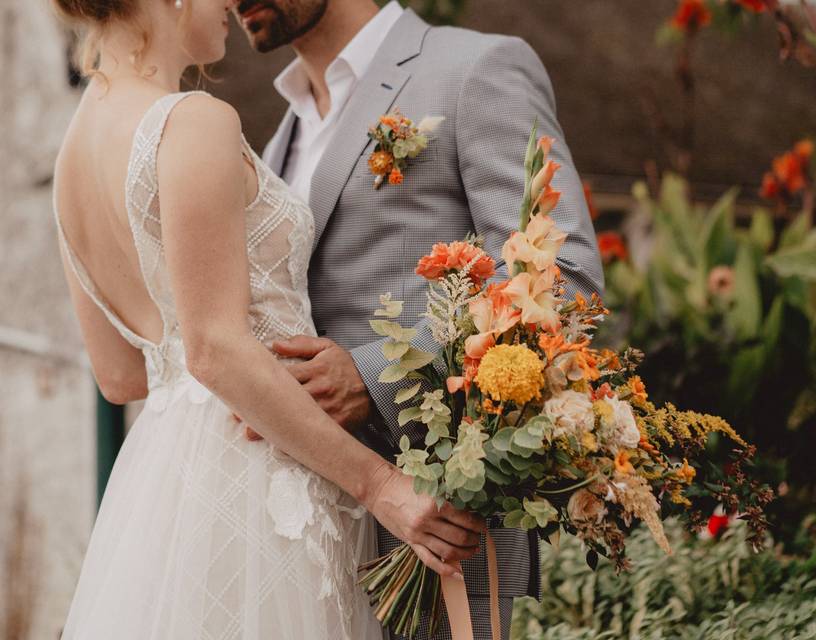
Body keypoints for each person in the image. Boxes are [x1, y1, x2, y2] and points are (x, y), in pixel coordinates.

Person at [51, 1, 485, 638]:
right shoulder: (191, 121)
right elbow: (216, 350)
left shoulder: (68, 159)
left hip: (164, 483)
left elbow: (121, 376)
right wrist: (381, 486)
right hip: (257, 475)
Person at [234, 1, 604, 637]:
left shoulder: (475, 69)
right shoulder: (281, 134)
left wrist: (372, 376)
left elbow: (563, 284)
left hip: (437, 534)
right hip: (309, 541)